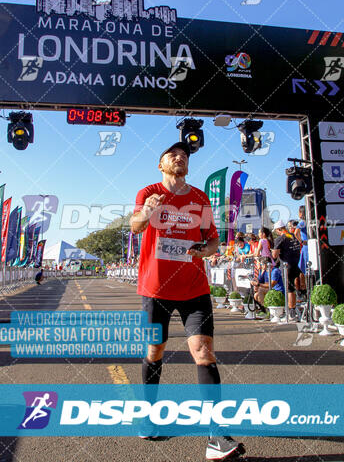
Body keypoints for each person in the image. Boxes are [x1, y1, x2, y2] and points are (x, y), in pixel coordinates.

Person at [130, 142, 244, 460]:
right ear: (161, 165)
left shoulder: (199, 198)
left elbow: (213, 240)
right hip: (155, 289)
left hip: (195, 288)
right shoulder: (148, 191)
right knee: (155, 351)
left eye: (184, 155)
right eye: (172, 155)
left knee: (204, 353)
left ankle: (217, 435)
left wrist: (207, 250)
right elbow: (135, 226)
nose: (179, 157)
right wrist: (148, 212)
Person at [271, 219, 301, 319]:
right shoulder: (292, 235)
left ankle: (291, 313)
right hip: (297, 264)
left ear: (279, 229)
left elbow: (274, 255)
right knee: (293, 287)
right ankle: (294, 309)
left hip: (287, 266)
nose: (276, 233)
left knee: (289, 289)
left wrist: (273, 251)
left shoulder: (280, 239)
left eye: (276, 231)